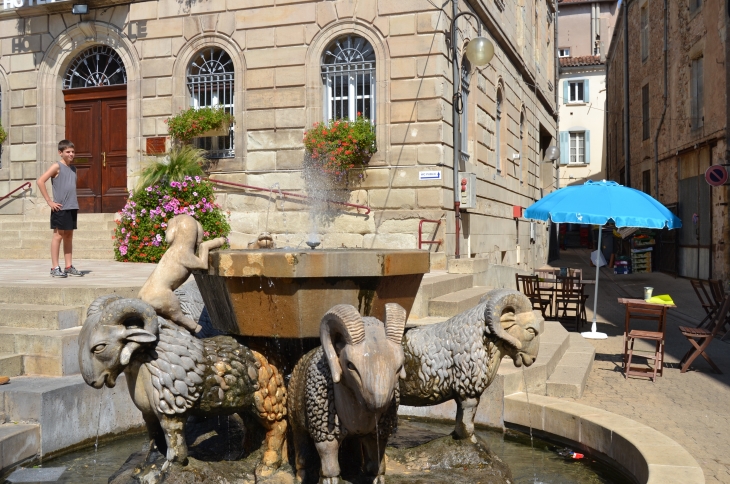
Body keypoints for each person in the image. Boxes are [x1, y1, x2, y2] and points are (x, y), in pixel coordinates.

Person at [36, 140, 83, 278]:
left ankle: (68, 266)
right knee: (58, 236)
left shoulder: (74, 169)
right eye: (68, 152)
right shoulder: (56, 166)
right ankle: (54, 267)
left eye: (73, 152)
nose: (71, 154)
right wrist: (49, 202)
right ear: (60, 153)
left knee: (69, 236)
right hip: (60, 208)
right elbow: (40, 181)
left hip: (72, 206)